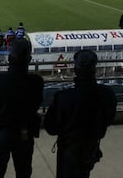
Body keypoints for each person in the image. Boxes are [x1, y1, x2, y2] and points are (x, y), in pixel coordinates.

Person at [44, 49, 117, 178]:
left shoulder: (63, 97)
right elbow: (109, 119)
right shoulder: (107, 94)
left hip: (68, 150)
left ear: (76, 71)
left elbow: (51, 128)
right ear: (94, 69)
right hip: (91, 148)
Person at [0, 36, 44, 178]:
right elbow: (36, 104)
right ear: (29, 60)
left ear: (9, 59)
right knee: (23, 172)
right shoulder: (36, 82)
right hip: (25, 134)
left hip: (1, 134)